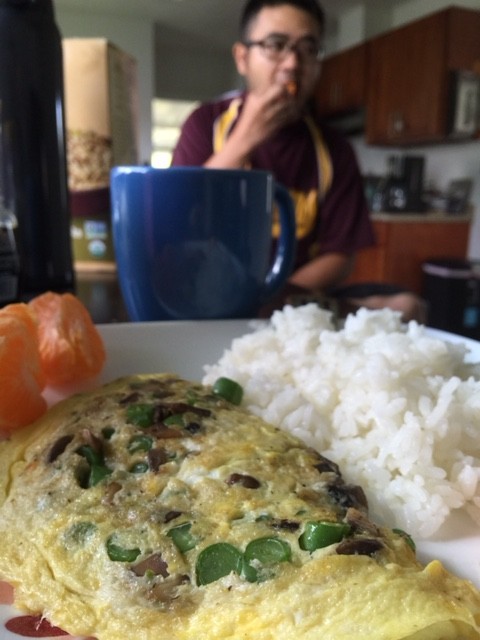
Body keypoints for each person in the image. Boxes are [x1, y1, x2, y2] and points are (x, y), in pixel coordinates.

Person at [171, 0, 425, 322]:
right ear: (242, 58)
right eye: (275, 45)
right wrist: (246, 138)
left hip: (295, 299)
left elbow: (340, 256)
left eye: (308, 49)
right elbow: (178, 227)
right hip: (208, 293)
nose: (292, 63)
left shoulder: (335, 150)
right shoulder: (204, 124)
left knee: (409, 308)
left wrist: (272, 298)